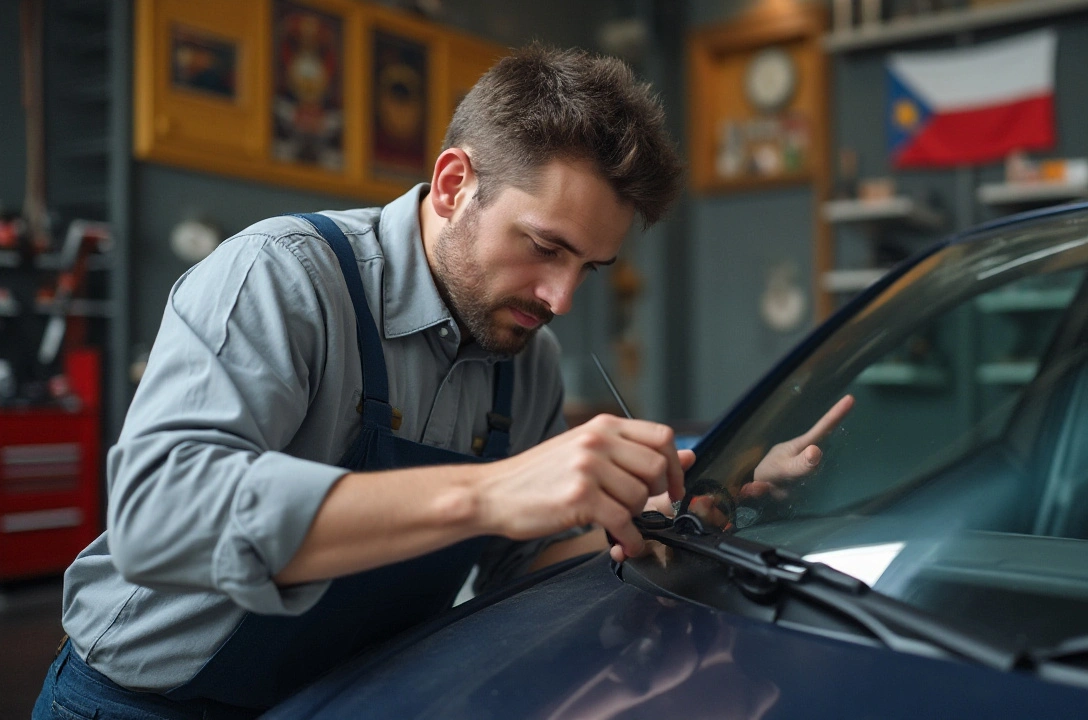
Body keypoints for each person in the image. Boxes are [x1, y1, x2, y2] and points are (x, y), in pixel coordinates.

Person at [33, 44, 848, 719]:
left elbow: (511, 561)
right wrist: (488, 491)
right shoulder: (282, 278)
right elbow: (157, 519)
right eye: (545, 246)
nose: (561, 298)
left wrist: (654, 516)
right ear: (455, 183)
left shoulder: (529, 360)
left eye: (589, 268)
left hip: (342, 697)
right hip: (139, 701)